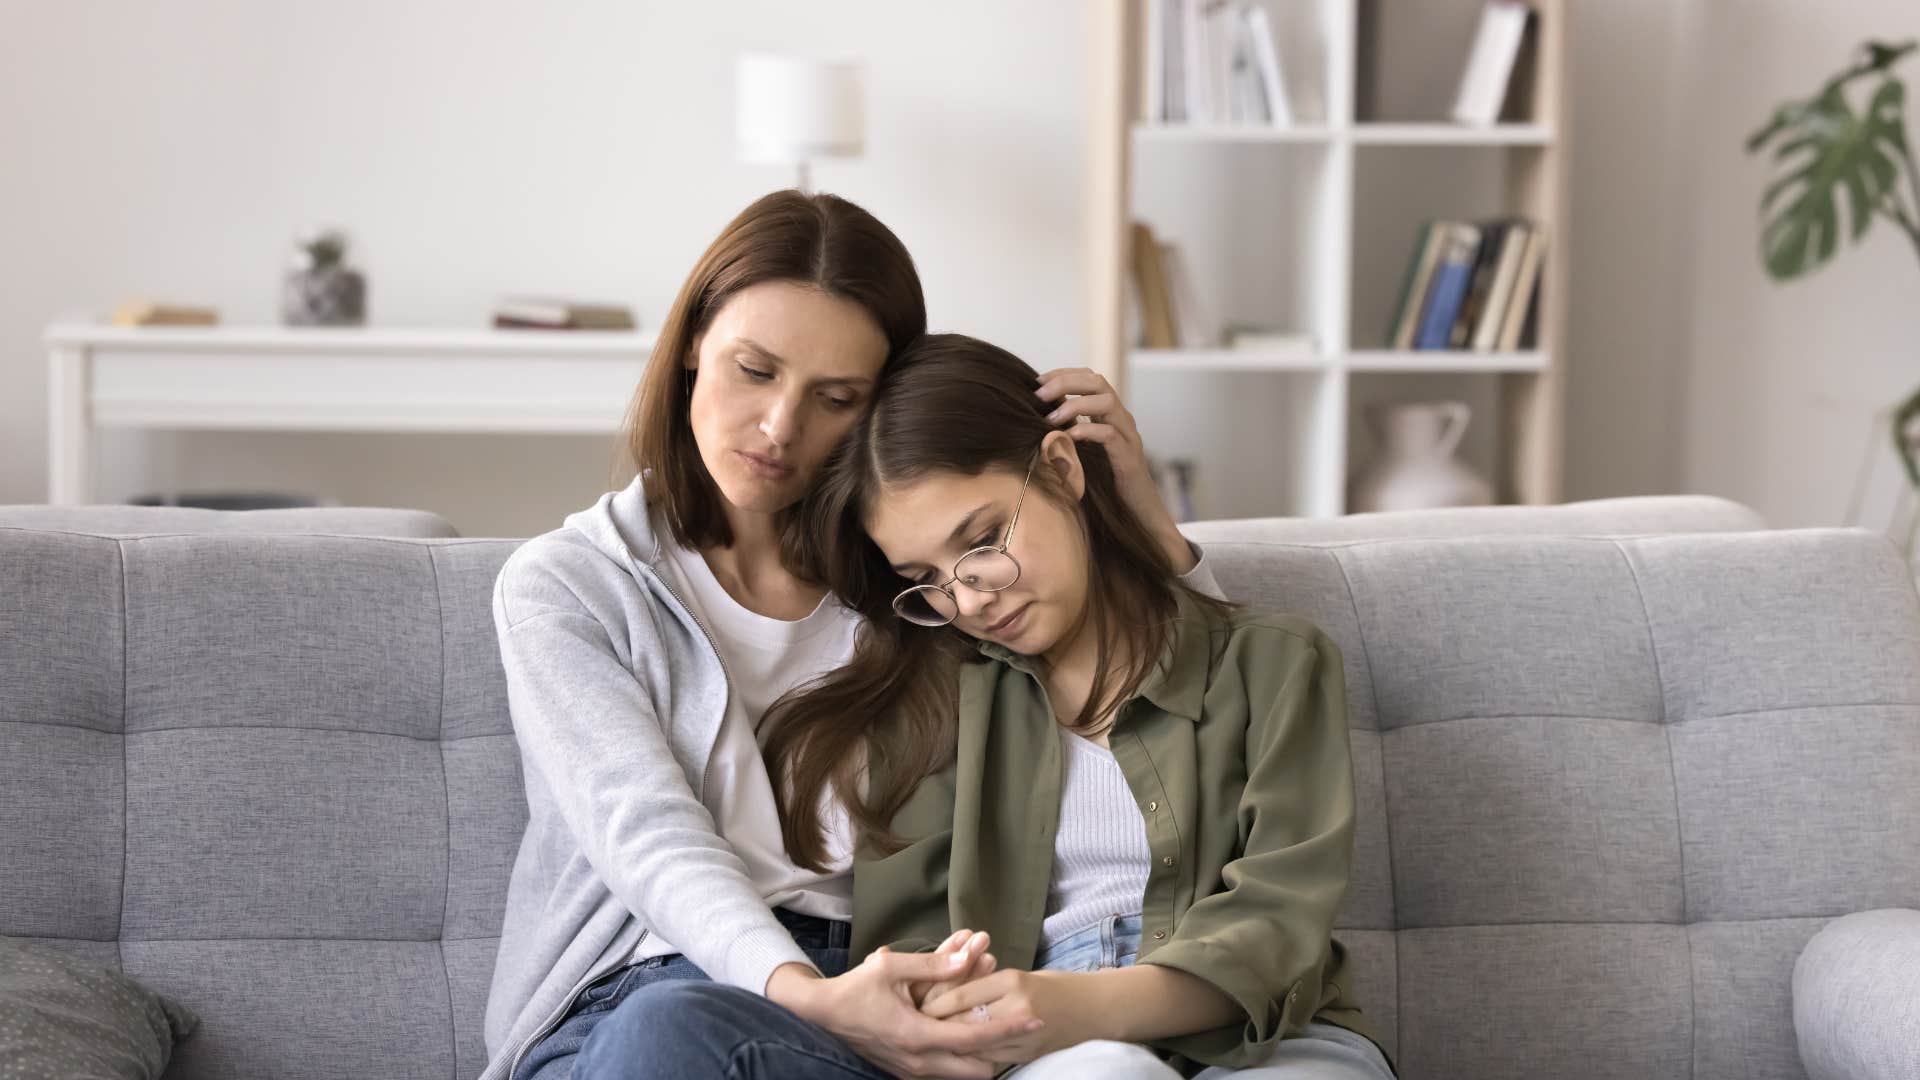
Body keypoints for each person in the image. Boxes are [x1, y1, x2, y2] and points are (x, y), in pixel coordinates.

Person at [480, 191, 1218, 1080]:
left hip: (881, 990)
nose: (781, 429)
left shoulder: (921, 588)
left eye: (835, 398)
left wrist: (1142, 515)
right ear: (689, 349)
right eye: (754, 370)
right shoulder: (570, 584)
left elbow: (1181, 703)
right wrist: (804, 992)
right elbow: (644, 831)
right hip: (631, 999)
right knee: (669, 1035)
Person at [758, 333, 1400, 1079]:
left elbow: (1280, 916)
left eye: (984, 538)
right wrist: (977, 1013)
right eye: (924, 577)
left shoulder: (1279, 661)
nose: (968, 596)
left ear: (1061, 469)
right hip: (1043, 1042)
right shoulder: (928, 709)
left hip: (1273, 1031)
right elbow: (915, 945)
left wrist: (1074, 1004)